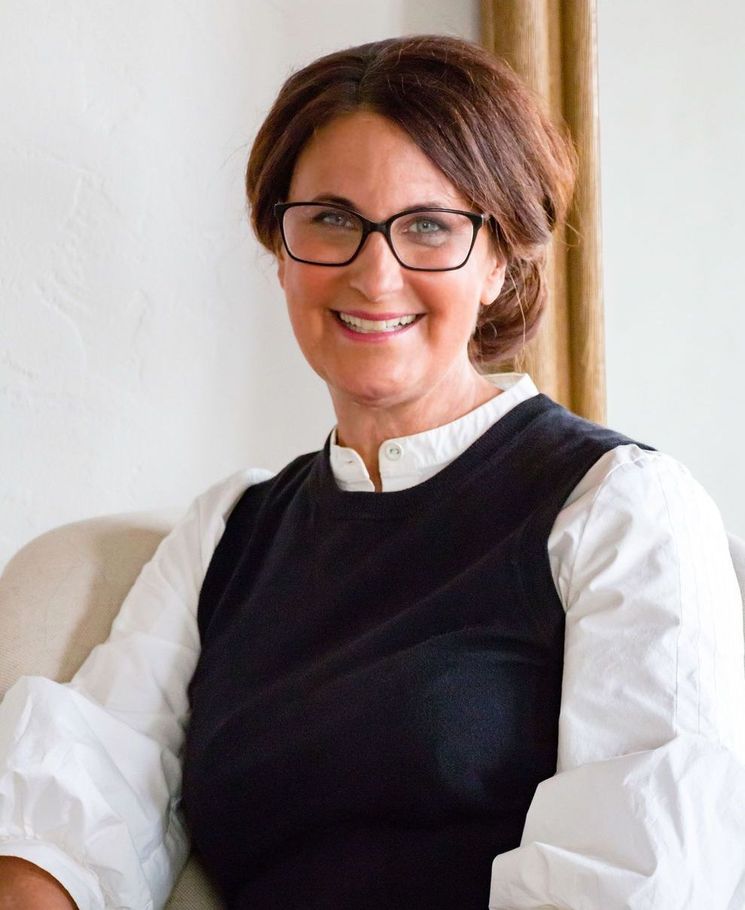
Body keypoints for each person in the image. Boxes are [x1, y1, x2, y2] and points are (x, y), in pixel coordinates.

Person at [1, 33, 744, 910]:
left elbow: (636, 881)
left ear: (500, 258)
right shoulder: (229, 531)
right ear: (279, 249)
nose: (373, 271)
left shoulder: (622, 508)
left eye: (430, 225)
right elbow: (74, 818)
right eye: (331, 220)